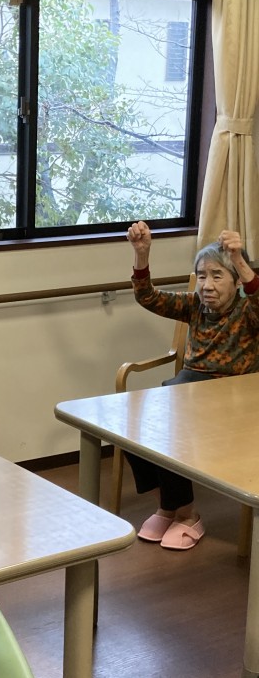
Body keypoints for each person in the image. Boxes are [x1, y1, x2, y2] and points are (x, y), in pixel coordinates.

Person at [126, 221, 259, 550]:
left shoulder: (248, 311)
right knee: (130, 429)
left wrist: (239, 260)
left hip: (233, 403)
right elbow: (148, 297)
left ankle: (186, 516)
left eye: (217, 276)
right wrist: (142, 254)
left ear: (236, 281)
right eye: (202, 276)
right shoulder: (195, 306)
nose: (207, 285)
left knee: (170, 431)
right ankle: (170, 507)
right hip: (187, 393)